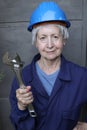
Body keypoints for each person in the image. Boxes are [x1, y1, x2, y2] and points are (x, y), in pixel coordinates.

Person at [9, 1, 87, 130]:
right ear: (36, 42)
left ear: (64, 40)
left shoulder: (82, 77)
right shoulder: (22, 78)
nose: (50, 45)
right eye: (43, 38)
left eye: (55, 37)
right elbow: (19, 126)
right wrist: (21, 107)